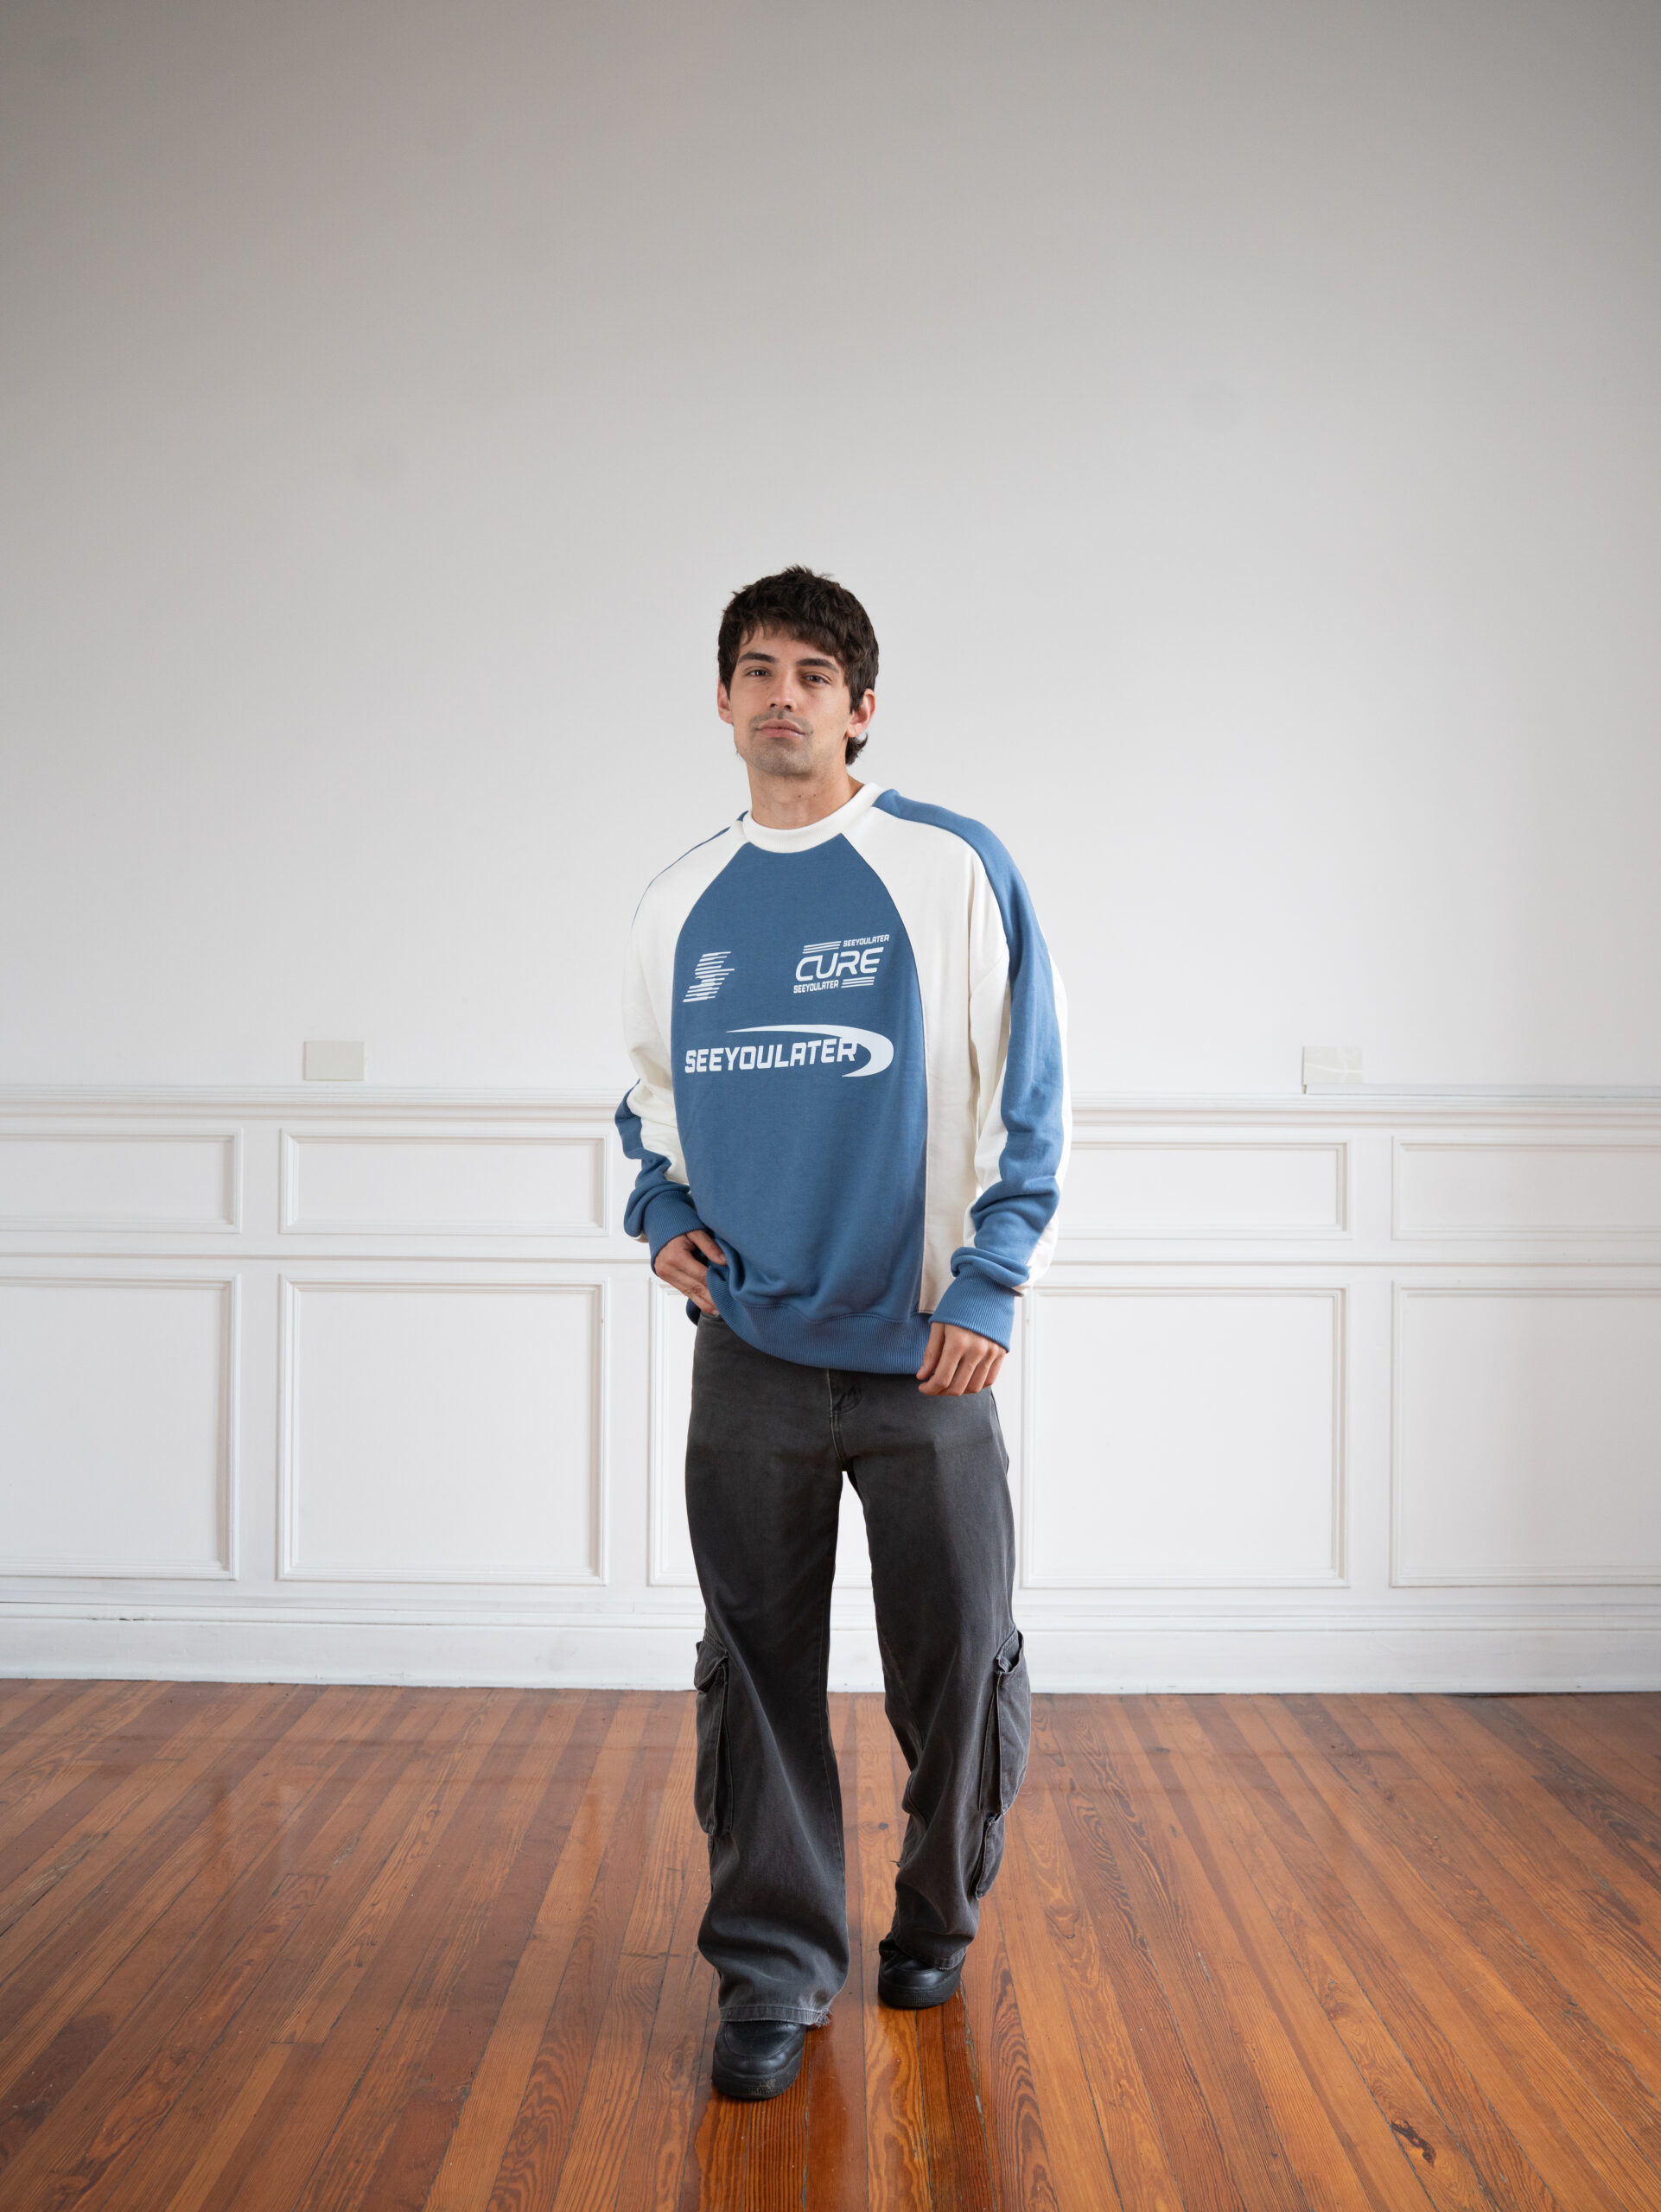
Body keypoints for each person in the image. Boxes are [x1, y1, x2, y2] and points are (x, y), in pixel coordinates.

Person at [616, 567, 1069, 2101]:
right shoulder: (679, 900)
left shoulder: (949, 865)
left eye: (814, 674)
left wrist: (988, 1283)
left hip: (925, 1351)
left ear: (861, 708)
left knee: (955, 1663)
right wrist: (656, 1209)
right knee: (754, 1673)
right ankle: (772, 1971)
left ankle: (935, 1912)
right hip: (748, 1348)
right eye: (758, 670)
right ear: (722, 699)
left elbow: (1027, 1087)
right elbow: (647, 1097)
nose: (783, 696)